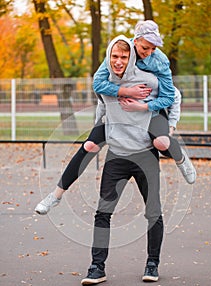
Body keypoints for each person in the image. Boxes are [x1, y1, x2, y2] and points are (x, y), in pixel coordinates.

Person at [35, 20, 195, 215]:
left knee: (162, 143)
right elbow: (98, 85)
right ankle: (56, 195)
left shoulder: (158, 63)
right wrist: (126, 91)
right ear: (135, 41)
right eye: (145, 47)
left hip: (149, 111)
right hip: (116, 115)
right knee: (89, 146)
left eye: (153, 48)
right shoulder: (118, 55)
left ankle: (180, 158)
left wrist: (156, 114)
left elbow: (172, 96)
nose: (149, 52)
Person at [81, 35, 164, 285]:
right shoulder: (103, 83)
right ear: (108, 57)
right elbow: (101, 113)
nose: (118, 61)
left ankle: (152, 263)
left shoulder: (149, 80)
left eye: (124, 57)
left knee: (153, 212)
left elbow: (169, 101)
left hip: (145, 154)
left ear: (131, 58)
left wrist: (166, 132)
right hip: (117, 155)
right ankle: (97, 267)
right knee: (103, 212)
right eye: (114, 56)